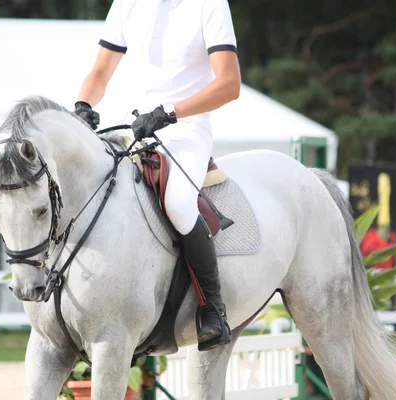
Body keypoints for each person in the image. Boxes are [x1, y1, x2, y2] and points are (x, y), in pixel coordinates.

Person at [74, 0, 241, 351]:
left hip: (184, 129)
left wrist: (170, 112)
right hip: (131, 127)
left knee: (179, 204)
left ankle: (212, 307)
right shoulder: (127, 4)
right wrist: (83, 106)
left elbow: (229, 83)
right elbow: (101, 72)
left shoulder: (208, 4)